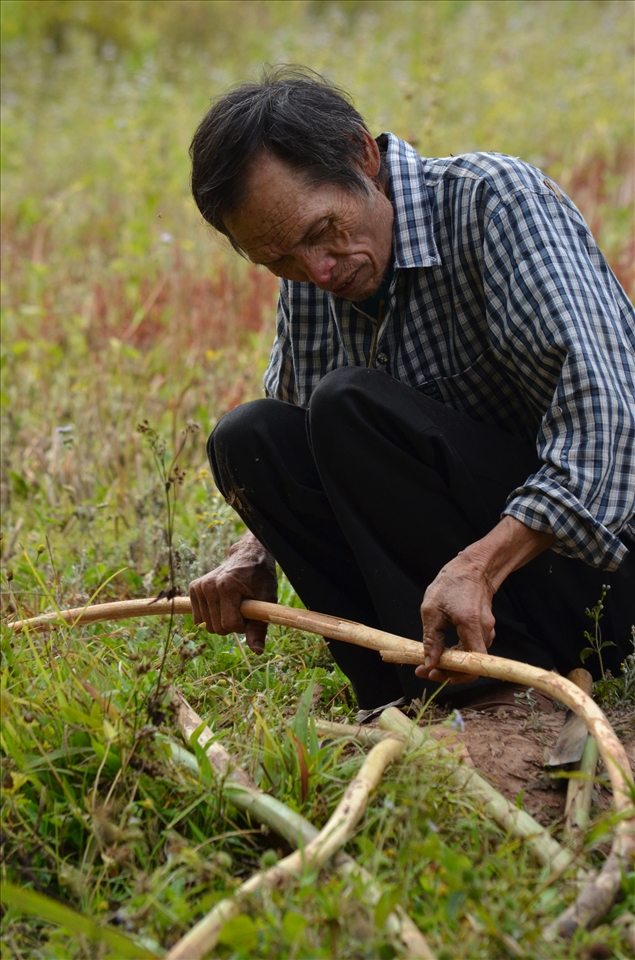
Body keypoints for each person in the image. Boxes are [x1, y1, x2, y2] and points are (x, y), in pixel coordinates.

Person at [188, 67, 635, 716]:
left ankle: (492, 691)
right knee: (250, 439)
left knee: (349, 406)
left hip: (593, 581)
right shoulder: (316, 269)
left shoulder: (494, 202)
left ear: (361, 155)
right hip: (459, 599)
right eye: (278, 260)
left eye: (320, 233)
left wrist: (478, 566)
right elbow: (300, 447)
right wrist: (256, 550)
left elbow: (611, 427)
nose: (314, 271)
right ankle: (409, 690)